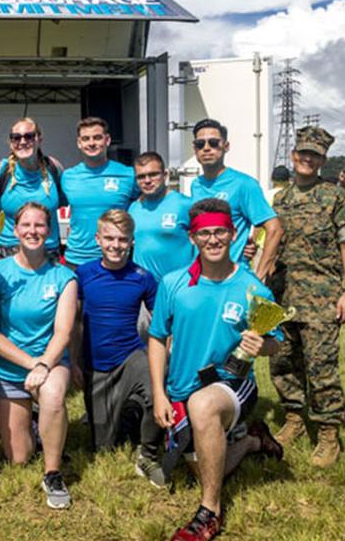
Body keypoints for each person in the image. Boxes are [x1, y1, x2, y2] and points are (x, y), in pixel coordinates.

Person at [148, 198, 284, 541]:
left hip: (233, 384)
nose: (213, 240)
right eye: (204, 233)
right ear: (192, 237)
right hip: (181, 388)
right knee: (205, 466)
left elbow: (277, 341)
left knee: (203, 407)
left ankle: (210, 512)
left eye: (220, 232)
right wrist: (160, 395)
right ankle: (252, 440)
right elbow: (156, 338)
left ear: (233, 233)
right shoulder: (174, 282)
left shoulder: (253, 288)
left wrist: (263, 345)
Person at [269, 126, 345, 468]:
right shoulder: (281, 199)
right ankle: (294, 418)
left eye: (315, 155)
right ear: (293, 156)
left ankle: (327, 434)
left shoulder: (335, 197)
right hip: (284, 297)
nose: (307, 159)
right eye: (302, 153)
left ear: (322, 160)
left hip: (322, 298)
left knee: (321, 367)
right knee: (282, 363)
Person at [0, 202, 77, 509]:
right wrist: (29, 364)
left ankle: (52, 472)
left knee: (53, 393)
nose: (33, 231)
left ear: (49, 231)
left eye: (40, 225)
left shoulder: (65, 277)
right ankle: (40, 422)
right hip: (10, 368)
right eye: (26, 225)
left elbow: (63, 333)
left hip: (50, 363)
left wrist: (44, 364)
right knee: (18, 458)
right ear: (15, 230)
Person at [75, 209, 164, 487]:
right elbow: (73, 322)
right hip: (96, 364)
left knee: (156, 390)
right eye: (110, 238)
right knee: (104, 447)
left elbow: (160, 323)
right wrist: (75, 362)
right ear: (98, 239)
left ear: (132, 242)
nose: (116, 245)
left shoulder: (143, 277)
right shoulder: (83, 274)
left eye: (123, 239)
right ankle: (128, 412)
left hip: (130, 357)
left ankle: (148, 453)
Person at [188, 118, 283, 281]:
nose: (207, 148)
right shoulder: (196, 185)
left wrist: (259, 277)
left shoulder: (244, 184)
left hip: (234, 278)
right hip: (201, 278)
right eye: (200, 144)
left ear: (226, 147)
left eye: (213, 142)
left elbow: (274, 229)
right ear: (195, 149)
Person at [0, 117, 64, 262]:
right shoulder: (1, 169)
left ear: (39, 139)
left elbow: (64, 201)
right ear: (10, 143)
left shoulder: (53, 167)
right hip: (7, 252)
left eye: (29, 136)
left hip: (47, 250)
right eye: (16, 138)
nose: (22, 142)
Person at [61, 117, 139, 269]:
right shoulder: (68, 177)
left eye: (97, 138)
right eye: (86, 139)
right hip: (75, 260)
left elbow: (144, 207)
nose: (91, 143)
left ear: (107, 140)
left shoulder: (128, 175)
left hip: (115, 259)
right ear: (79, 143)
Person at [128, 151, 196, 281]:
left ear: (165, 175)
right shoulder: (133, 208)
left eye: (153, 174)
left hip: (179, 284)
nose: (147, 181)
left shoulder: (185, 204)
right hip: (144, 287)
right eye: (141, 177)